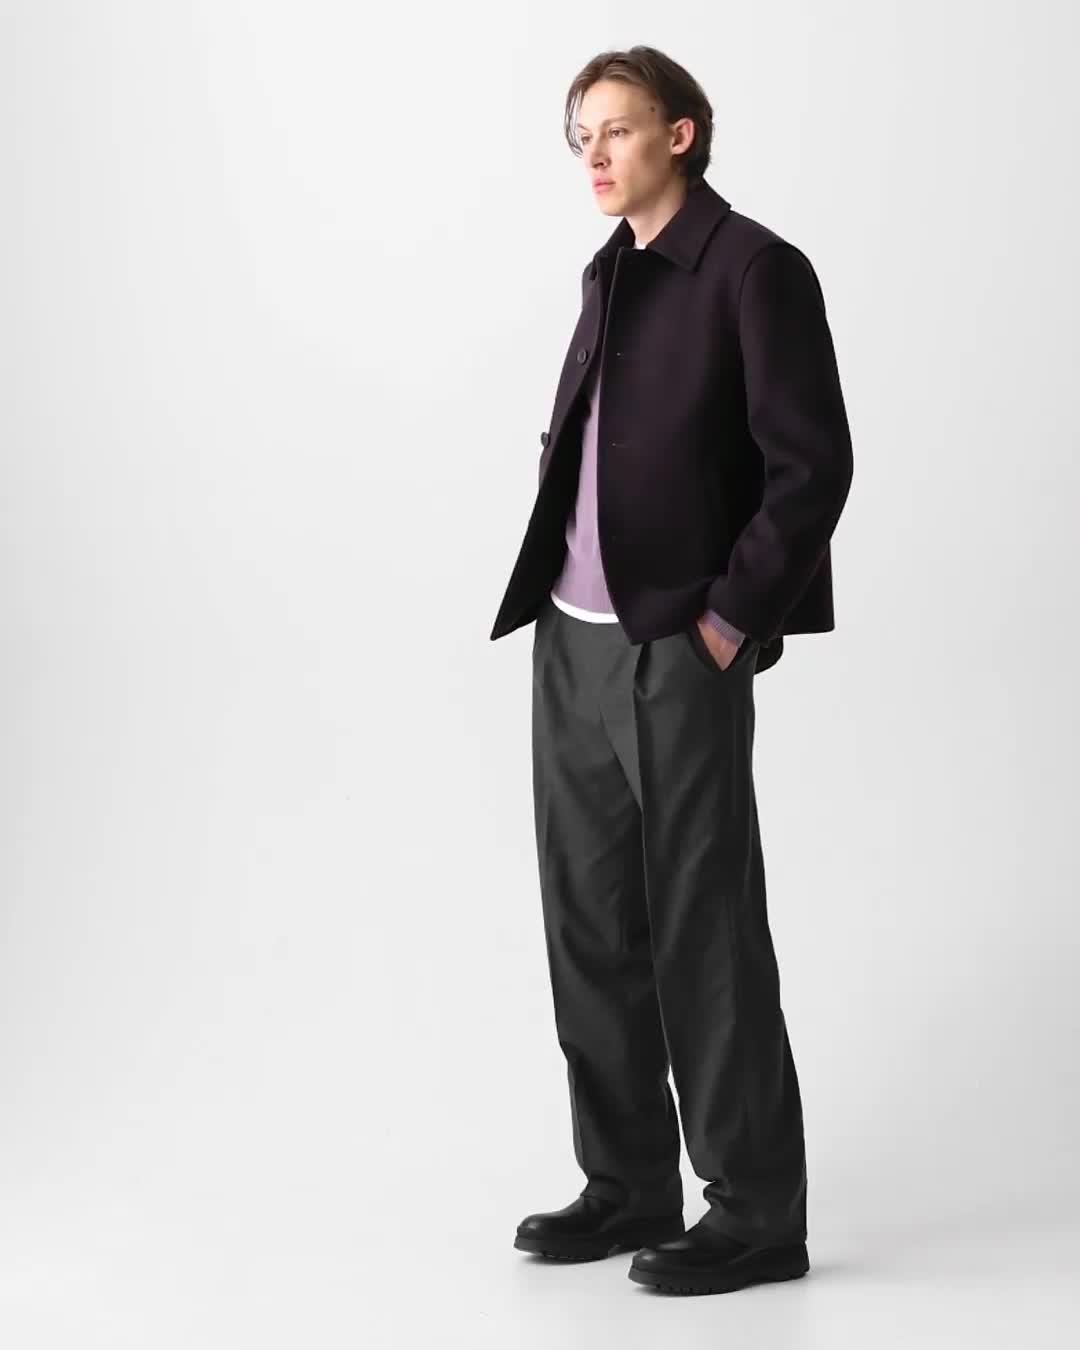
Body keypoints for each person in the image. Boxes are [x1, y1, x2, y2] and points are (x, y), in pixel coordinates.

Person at [490, 45, 854, 1297]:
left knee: (705, 926)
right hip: (571, 640)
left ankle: (754, 1211)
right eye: (580, 135)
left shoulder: (754, 269)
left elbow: (813, 466)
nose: (594, 154)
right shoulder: (613, 270)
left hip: (677, 648)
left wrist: (728, 622)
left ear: (682, 133)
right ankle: (628, 1182)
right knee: (590, 925)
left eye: (617, 129)